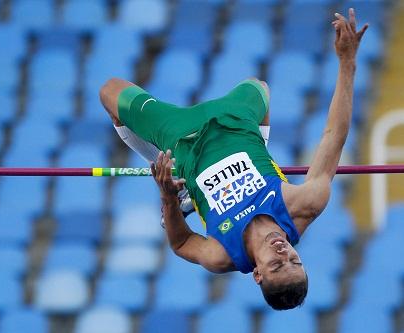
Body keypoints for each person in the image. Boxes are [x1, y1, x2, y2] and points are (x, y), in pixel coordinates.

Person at [99, 9, 368, 310]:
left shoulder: (222, 254)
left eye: (277, 266)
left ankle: (172, 169)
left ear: (257, 274)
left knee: (110, 91)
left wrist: (168, 198)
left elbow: (181, 243)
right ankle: (189, 175)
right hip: (238, 120)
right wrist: (347, 62)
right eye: (294, 259)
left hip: (181, 137)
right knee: (258, 87)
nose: (283, 253)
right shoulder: (302, 206)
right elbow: (333, 136)